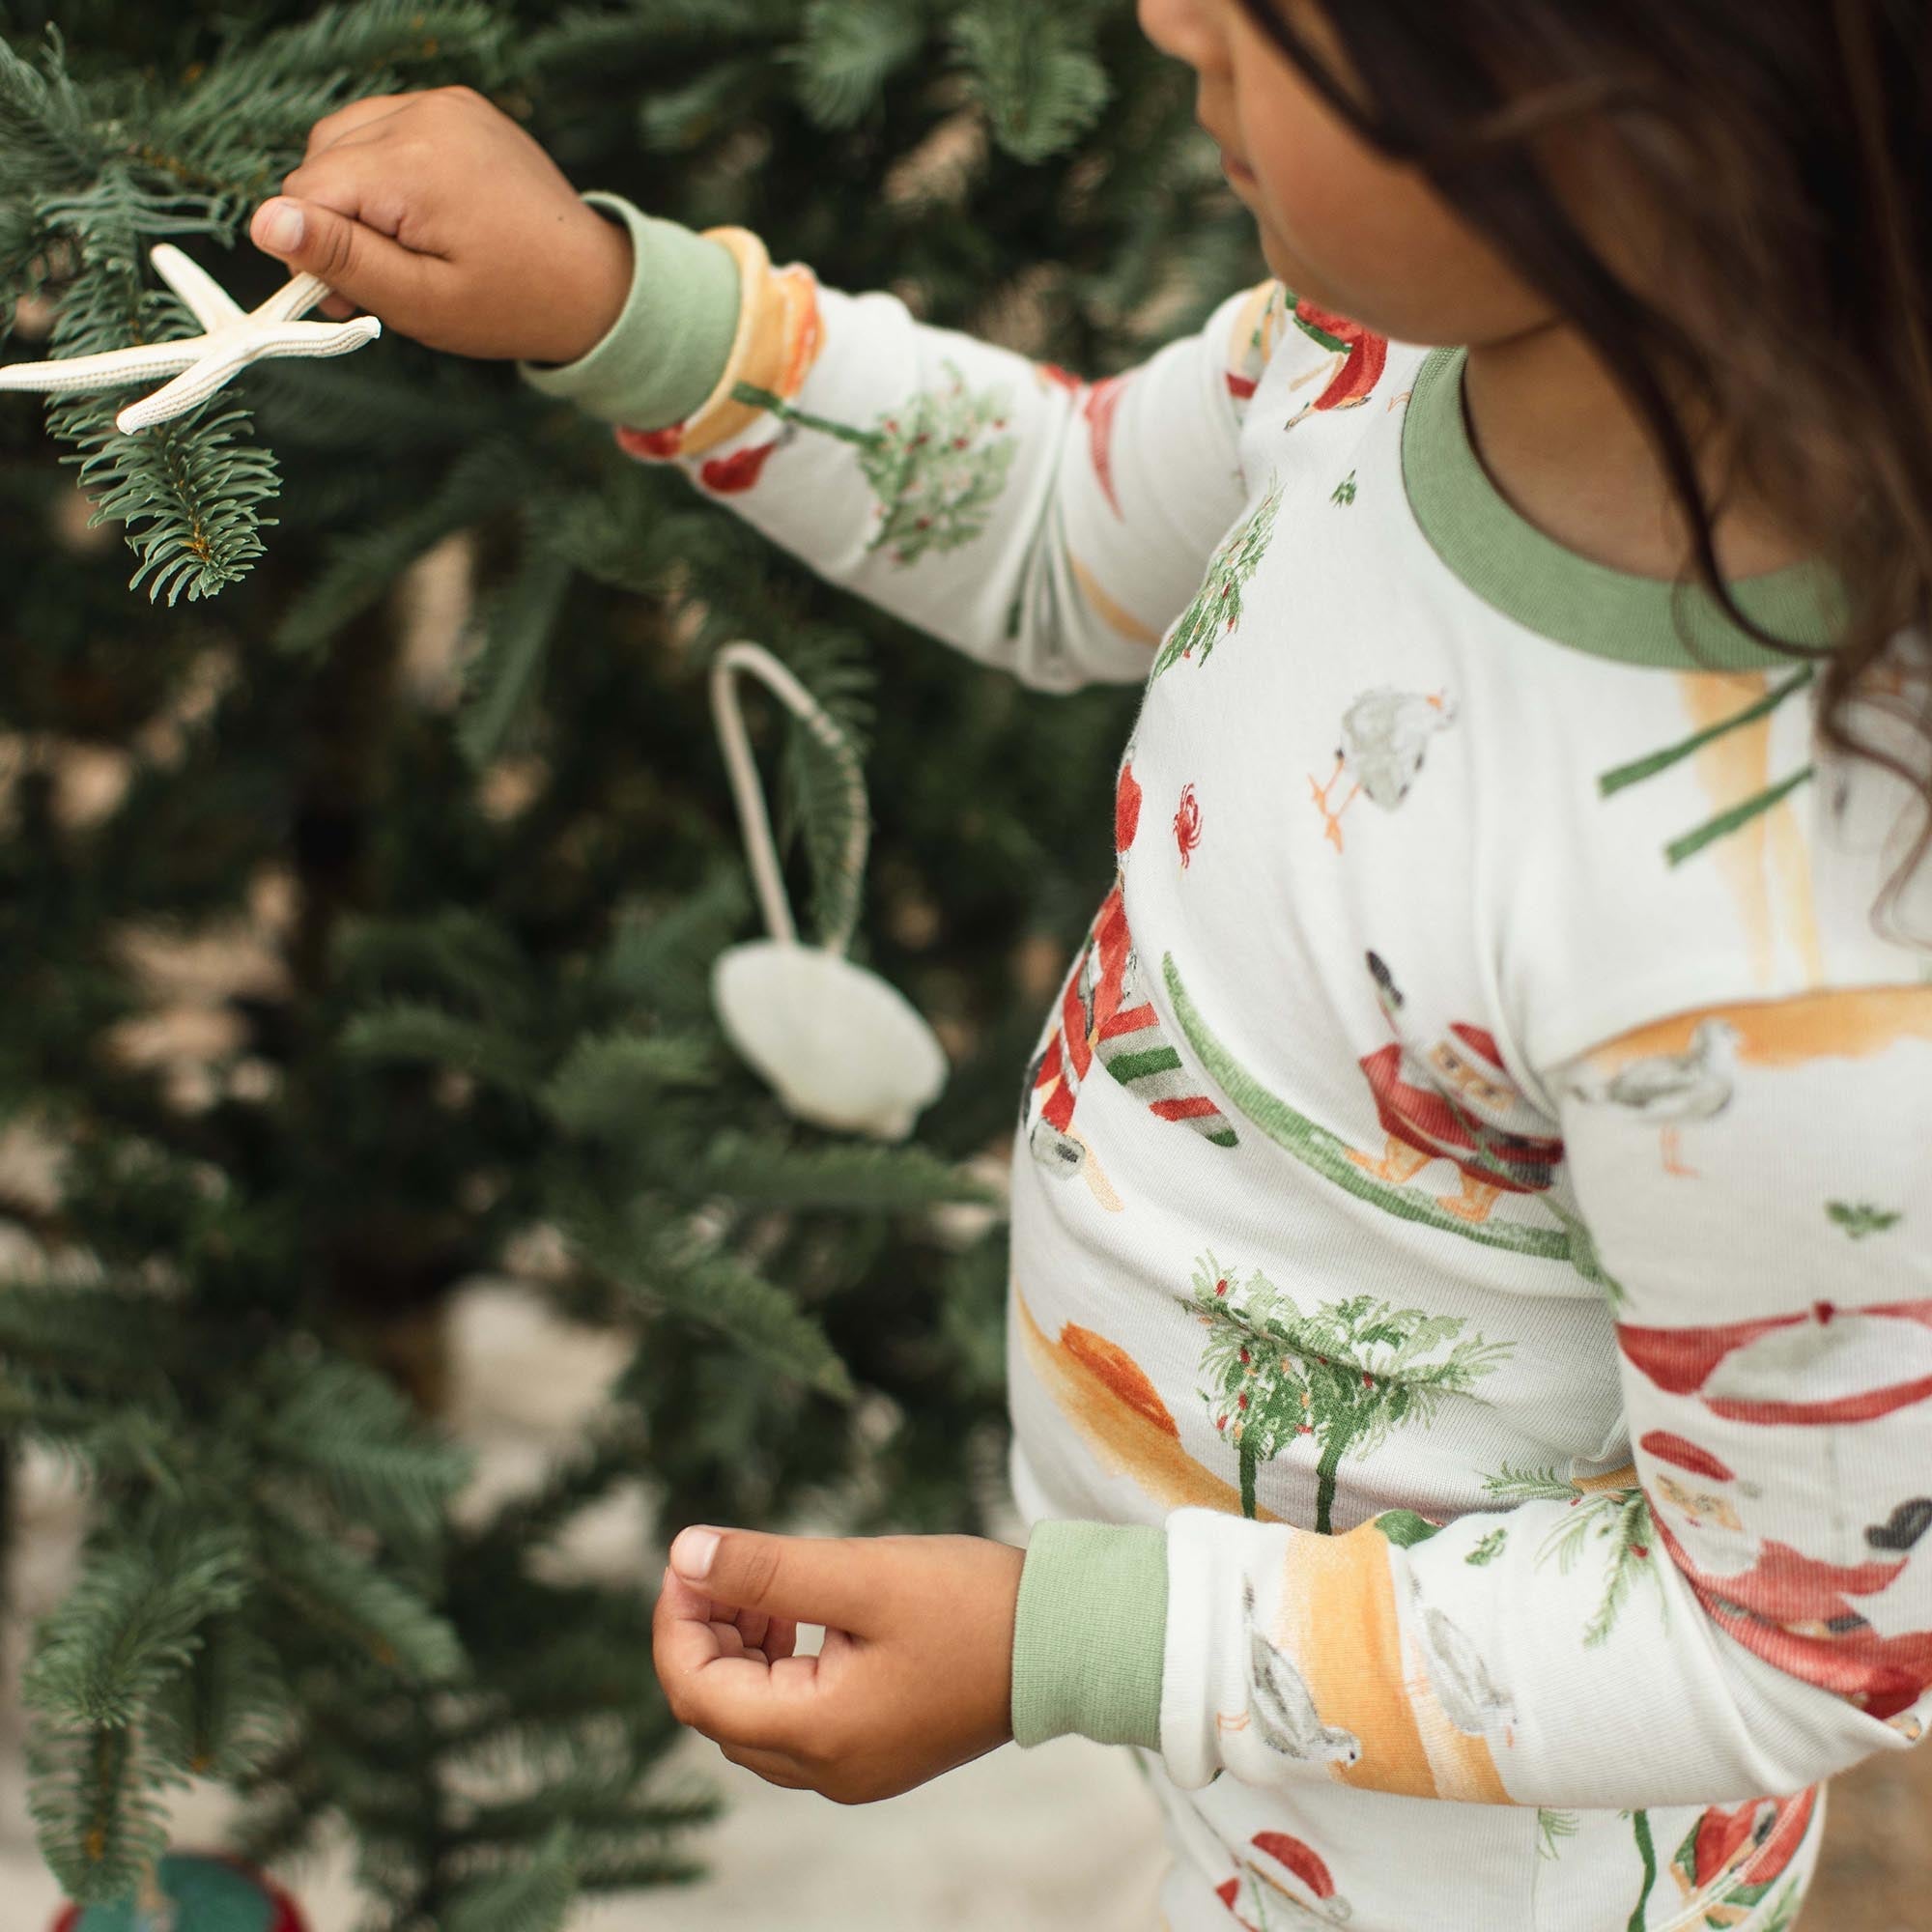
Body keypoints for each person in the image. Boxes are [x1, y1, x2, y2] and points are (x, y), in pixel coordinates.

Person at [250, 3, 1932, 1925]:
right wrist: (620, 303)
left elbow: (1786, 1644)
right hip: (1254, 1741)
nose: (1164, 17)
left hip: (1487, 1869)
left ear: (1636, 126)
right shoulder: (1379, 358)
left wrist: (1075, 1639)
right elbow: (1059, 522)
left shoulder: (1787, 962)